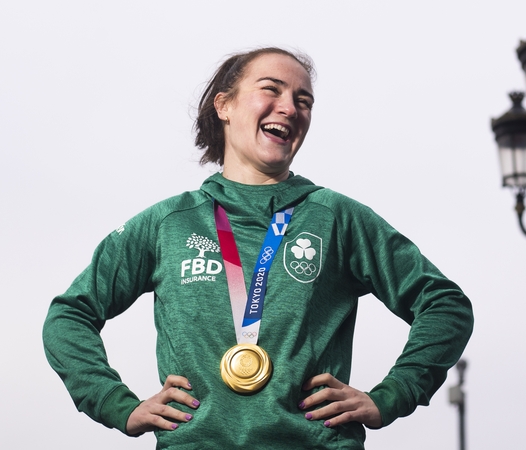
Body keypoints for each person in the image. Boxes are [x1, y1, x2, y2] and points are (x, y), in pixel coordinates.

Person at [42, 47, 473, 449]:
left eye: (303, 101)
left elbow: (444, 305)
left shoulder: (335, 218)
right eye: (271, 89)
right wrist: (115, 403)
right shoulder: (169, 223)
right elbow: (70, 316)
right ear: (224, 105)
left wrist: (393, 394)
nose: (290, 108)